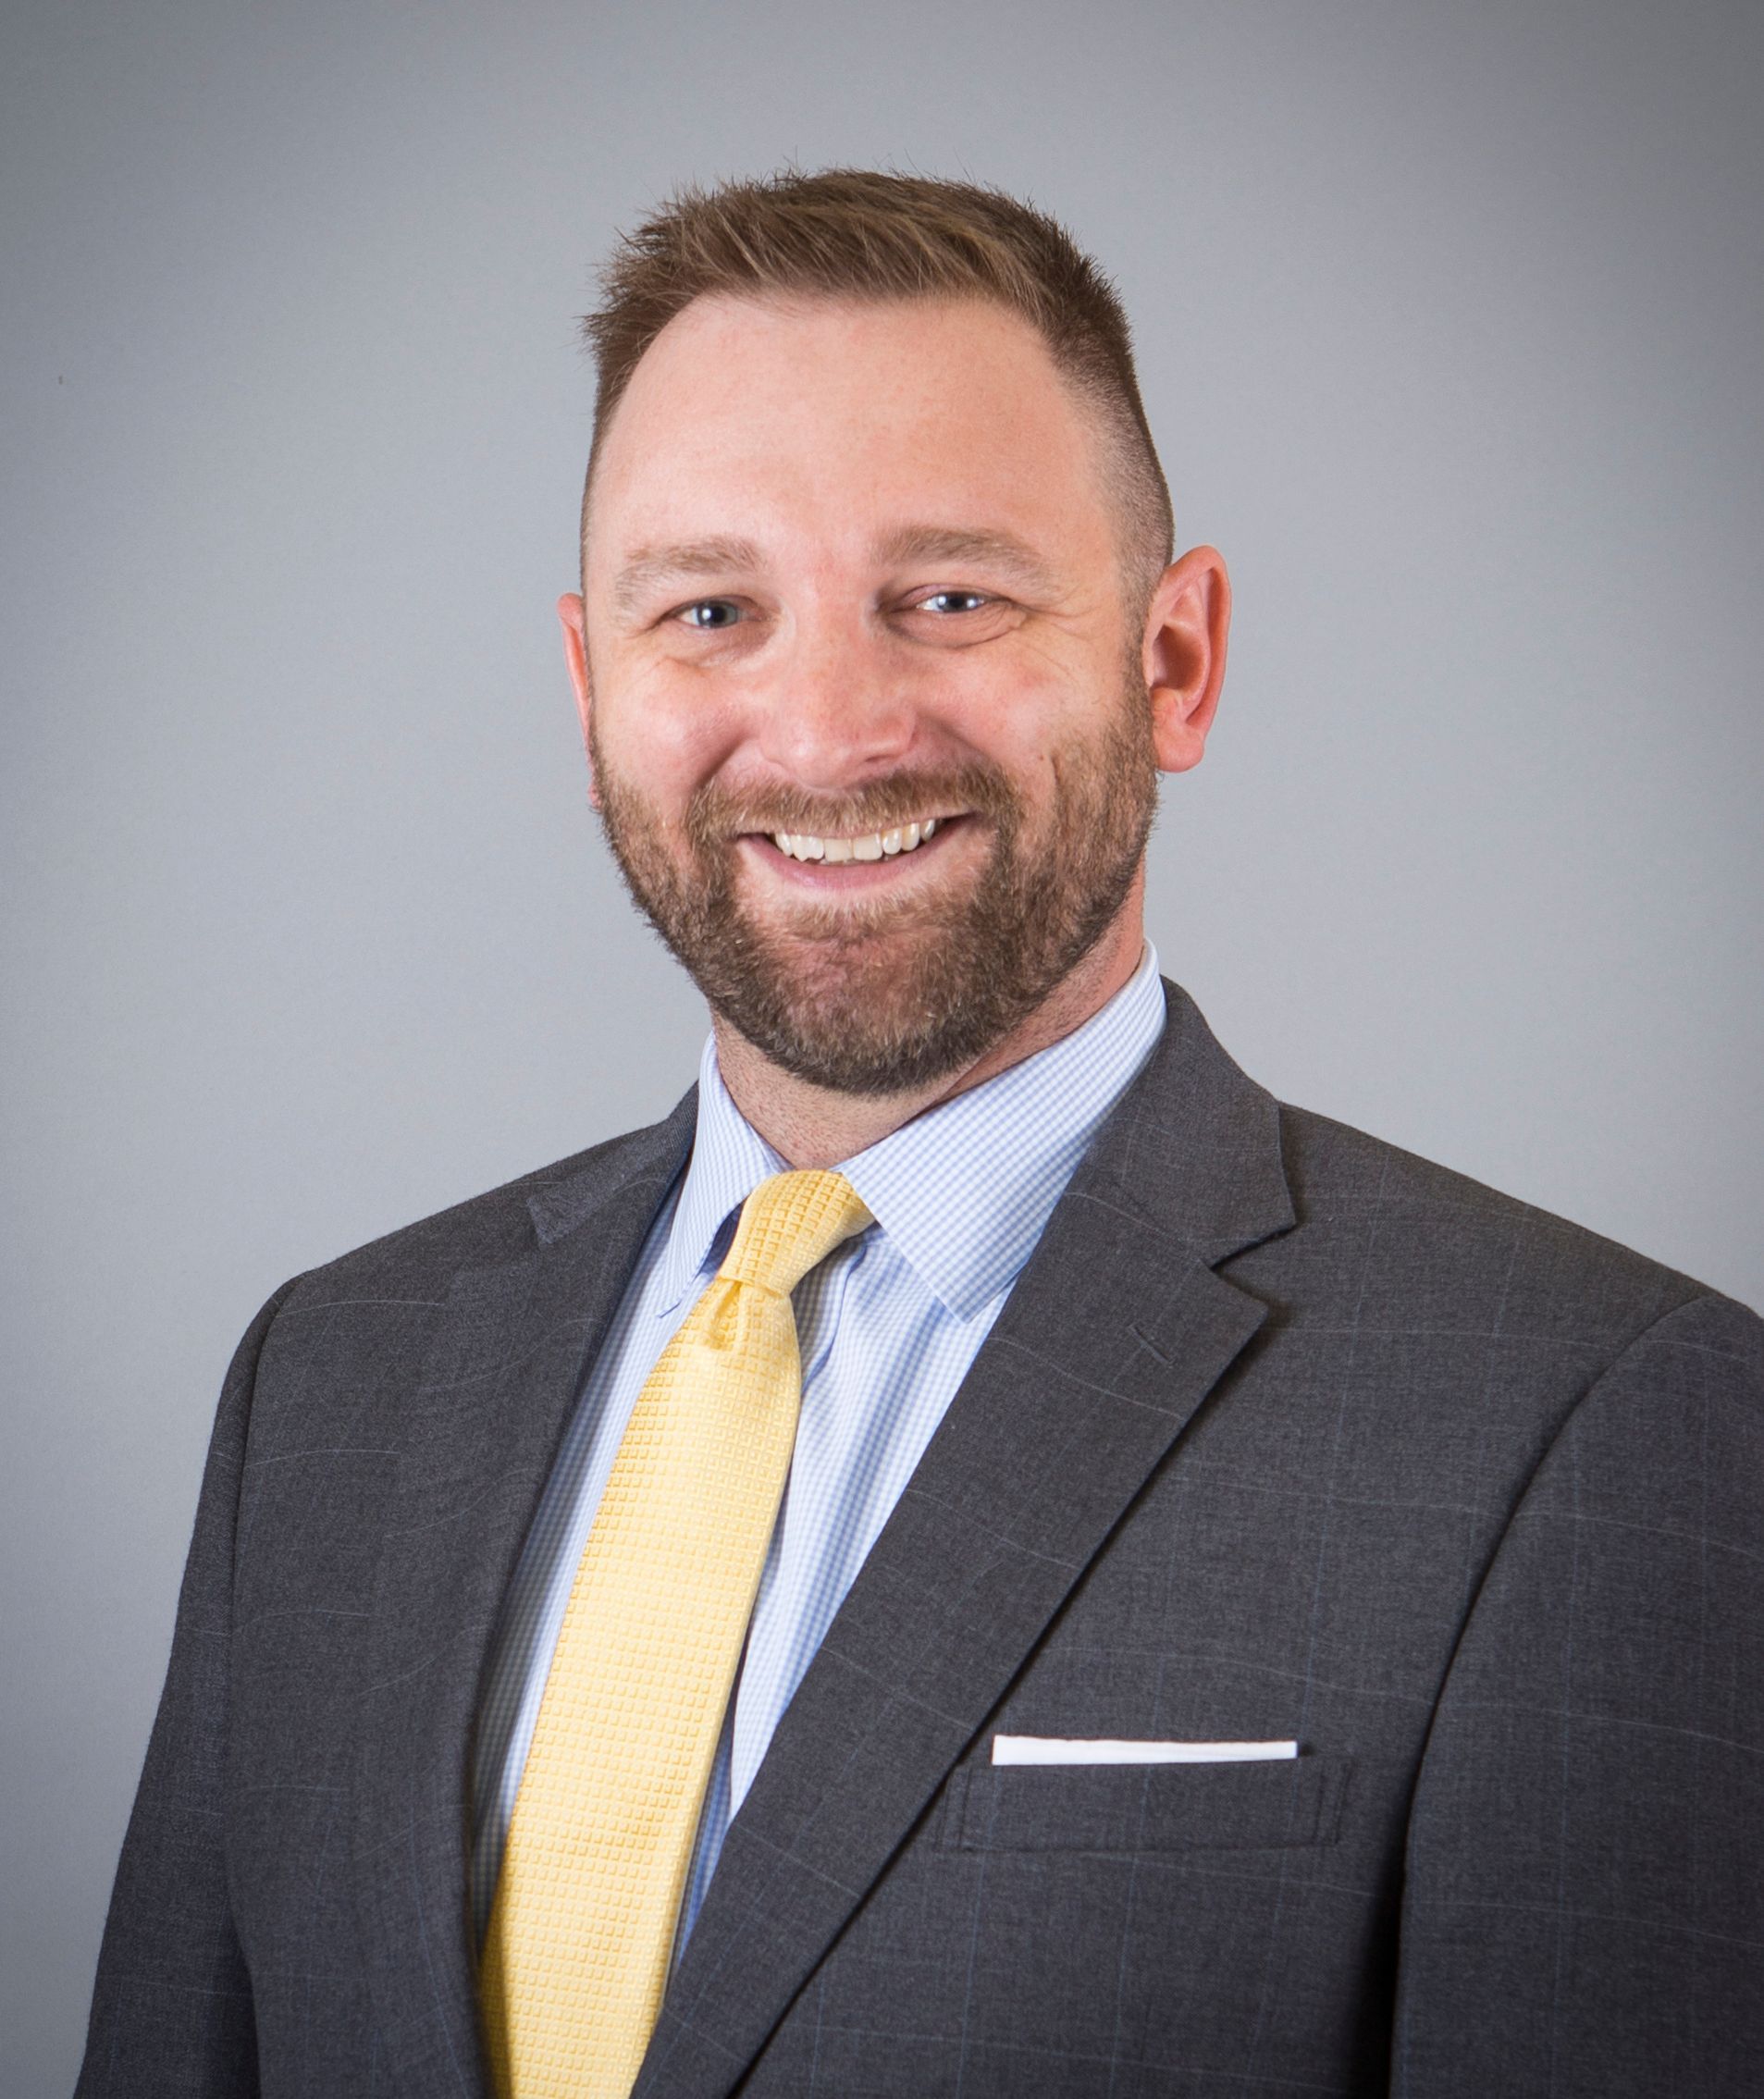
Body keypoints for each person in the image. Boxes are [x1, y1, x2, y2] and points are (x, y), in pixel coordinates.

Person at [78, 169, 1761, 2099]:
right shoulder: (335, 1385)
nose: (826, 730)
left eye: (948, 598)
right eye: (709, 610)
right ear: (591, 686)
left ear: (1175, 656)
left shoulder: (1595, 1427)